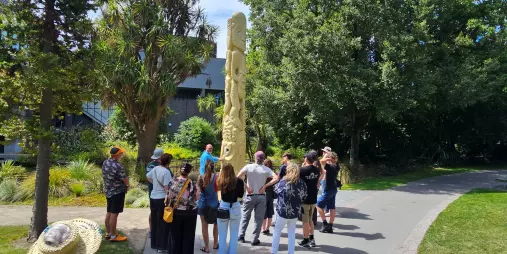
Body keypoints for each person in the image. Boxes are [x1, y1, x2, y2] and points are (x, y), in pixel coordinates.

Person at [237, 151, 279, 246]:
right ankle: (254, 239)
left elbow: (238, 177)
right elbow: (276, 178)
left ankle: (241, 236)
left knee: (245, 217)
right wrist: (265, 186)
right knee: (258, 219)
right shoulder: (266, 169)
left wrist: (246, 186)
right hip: (261, 196)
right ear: (263, 159)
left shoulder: (248, 167)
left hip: (249, 195)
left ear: (255, 158)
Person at [271, 162, 307, 254]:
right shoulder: (302, 183)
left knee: (277, 232)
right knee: (291, 234)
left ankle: (274, 252)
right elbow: (304, 196)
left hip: (282, 212)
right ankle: (291, 252)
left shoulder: (283, 181)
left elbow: (275, 192)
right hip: (295, 212)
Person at [166, 163, 198, 254]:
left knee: (175, 236)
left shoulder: (172, 181)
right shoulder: (191, 183)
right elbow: (195, 198)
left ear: (180, 170)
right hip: (189, 213)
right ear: (189, 172)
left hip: (176, 212)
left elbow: (169, 196)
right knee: (188, 236)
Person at [146, 153, 173, 253]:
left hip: (153, 197)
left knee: (154, 221)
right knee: (162, 223)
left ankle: (154, 243)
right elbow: (166, 187)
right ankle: (161, 247)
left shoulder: (155, 169)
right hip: (161, 199)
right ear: (169, 162)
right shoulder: (166, 172)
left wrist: (155, 184)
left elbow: (148, 177)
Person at [102, 146, 129, 242]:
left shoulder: (105, 162)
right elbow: (124, 179)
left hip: (108, 191)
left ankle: (108, 233)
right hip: (117, 192)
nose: (121, 155)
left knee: (109, 212)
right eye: (121, 154)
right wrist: (128, 185)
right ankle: (113, 236)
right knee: (114, 214)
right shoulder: (118, 166)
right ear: (117, 155)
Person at [217, 163, 244, 254]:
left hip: (224, 206)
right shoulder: (239, 181)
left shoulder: (221, 180)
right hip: (235, 206)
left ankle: (222, 252)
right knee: (234, 234)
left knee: (222, 234)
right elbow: (240, 195)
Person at [298, 150, 320, 248]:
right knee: (310, 219)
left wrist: (303, 166)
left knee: (305, 221)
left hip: (305, 199)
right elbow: (322, 173)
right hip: (313, 197)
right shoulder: (316, 170)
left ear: (306, 158)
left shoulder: (302, 170)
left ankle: (306, 239)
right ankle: (312, 238)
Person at [197, 160, 219, 253]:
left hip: (203, 204)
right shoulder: (217, 177)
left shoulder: (200, 177)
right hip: (214, 203)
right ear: (213, 167)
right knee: (216, 224)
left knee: (204, 226)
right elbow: (218, 189)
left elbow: (198, 191)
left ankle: (206, 247)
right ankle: (215, 244)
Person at [317, 152, 340, 233]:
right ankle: (330, 225)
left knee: (318, 205)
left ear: (330, 159)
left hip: (328, 189)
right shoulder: (337, 166)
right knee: (332, 207)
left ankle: (325, 223)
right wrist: (331, 158)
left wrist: (327, 157)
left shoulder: (330, 167)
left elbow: (321, 161)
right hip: (334, 189)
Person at [147, 148, 164, 238]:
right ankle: (152, 230)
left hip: (156, 192)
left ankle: (156, 230)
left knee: (156, 211)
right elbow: (149, 177)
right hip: (155, 192)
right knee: (154, 212)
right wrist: (159, 185)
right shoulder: (153, 165)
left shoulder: (151, 165)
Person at [272, 152, 292, 227]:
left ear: (286, 157)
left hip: (283, 187)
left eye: (283, 157)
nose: (283, 158)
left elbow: (278, 177)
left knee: (280, 204)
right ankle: (288, 219)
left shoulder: (284, 166)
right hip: (292, 187)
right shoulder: (293, 166)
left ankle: (277, 221)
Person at [261, 159, 275, 235]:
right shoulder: (272, 172)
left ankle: (263, 229)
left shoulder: (264, 172)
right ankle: (267, 228)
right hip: (271, 193)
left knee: (264, 211)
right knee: (270, 211)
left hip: (264, 192)